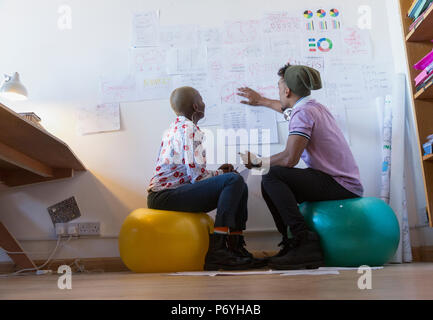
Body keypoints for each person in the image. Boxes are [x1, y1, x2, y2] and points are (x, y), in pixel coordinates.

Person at [237, 64, 363, 270]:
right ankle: (291, 243)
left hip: (340, 185)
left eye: (279, 87)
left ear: (287, 91)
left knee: (272, 175)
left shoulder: (303, 113)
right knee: (271, 180)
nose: (279, 92)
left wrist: (258, 162)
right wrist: (260, 100)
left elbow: (289, 159)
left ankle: (303, 242)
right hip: (339, 181)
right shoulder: (313, 107)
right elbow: (284, 108)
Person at [147, 86, 264, 270]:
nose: (204, 103)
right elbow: (197, 178)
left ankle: (235, 248)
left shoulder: (175, 128)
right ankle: (218, 250)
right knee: (234, 180)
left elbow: (192, 174)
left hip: (167, 194)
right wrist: (223, 175)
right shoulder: (190, 130)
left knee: (237, 182)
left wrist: (218, 173)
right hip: (165, 196)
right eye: (201, 100)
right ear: (196, 106)